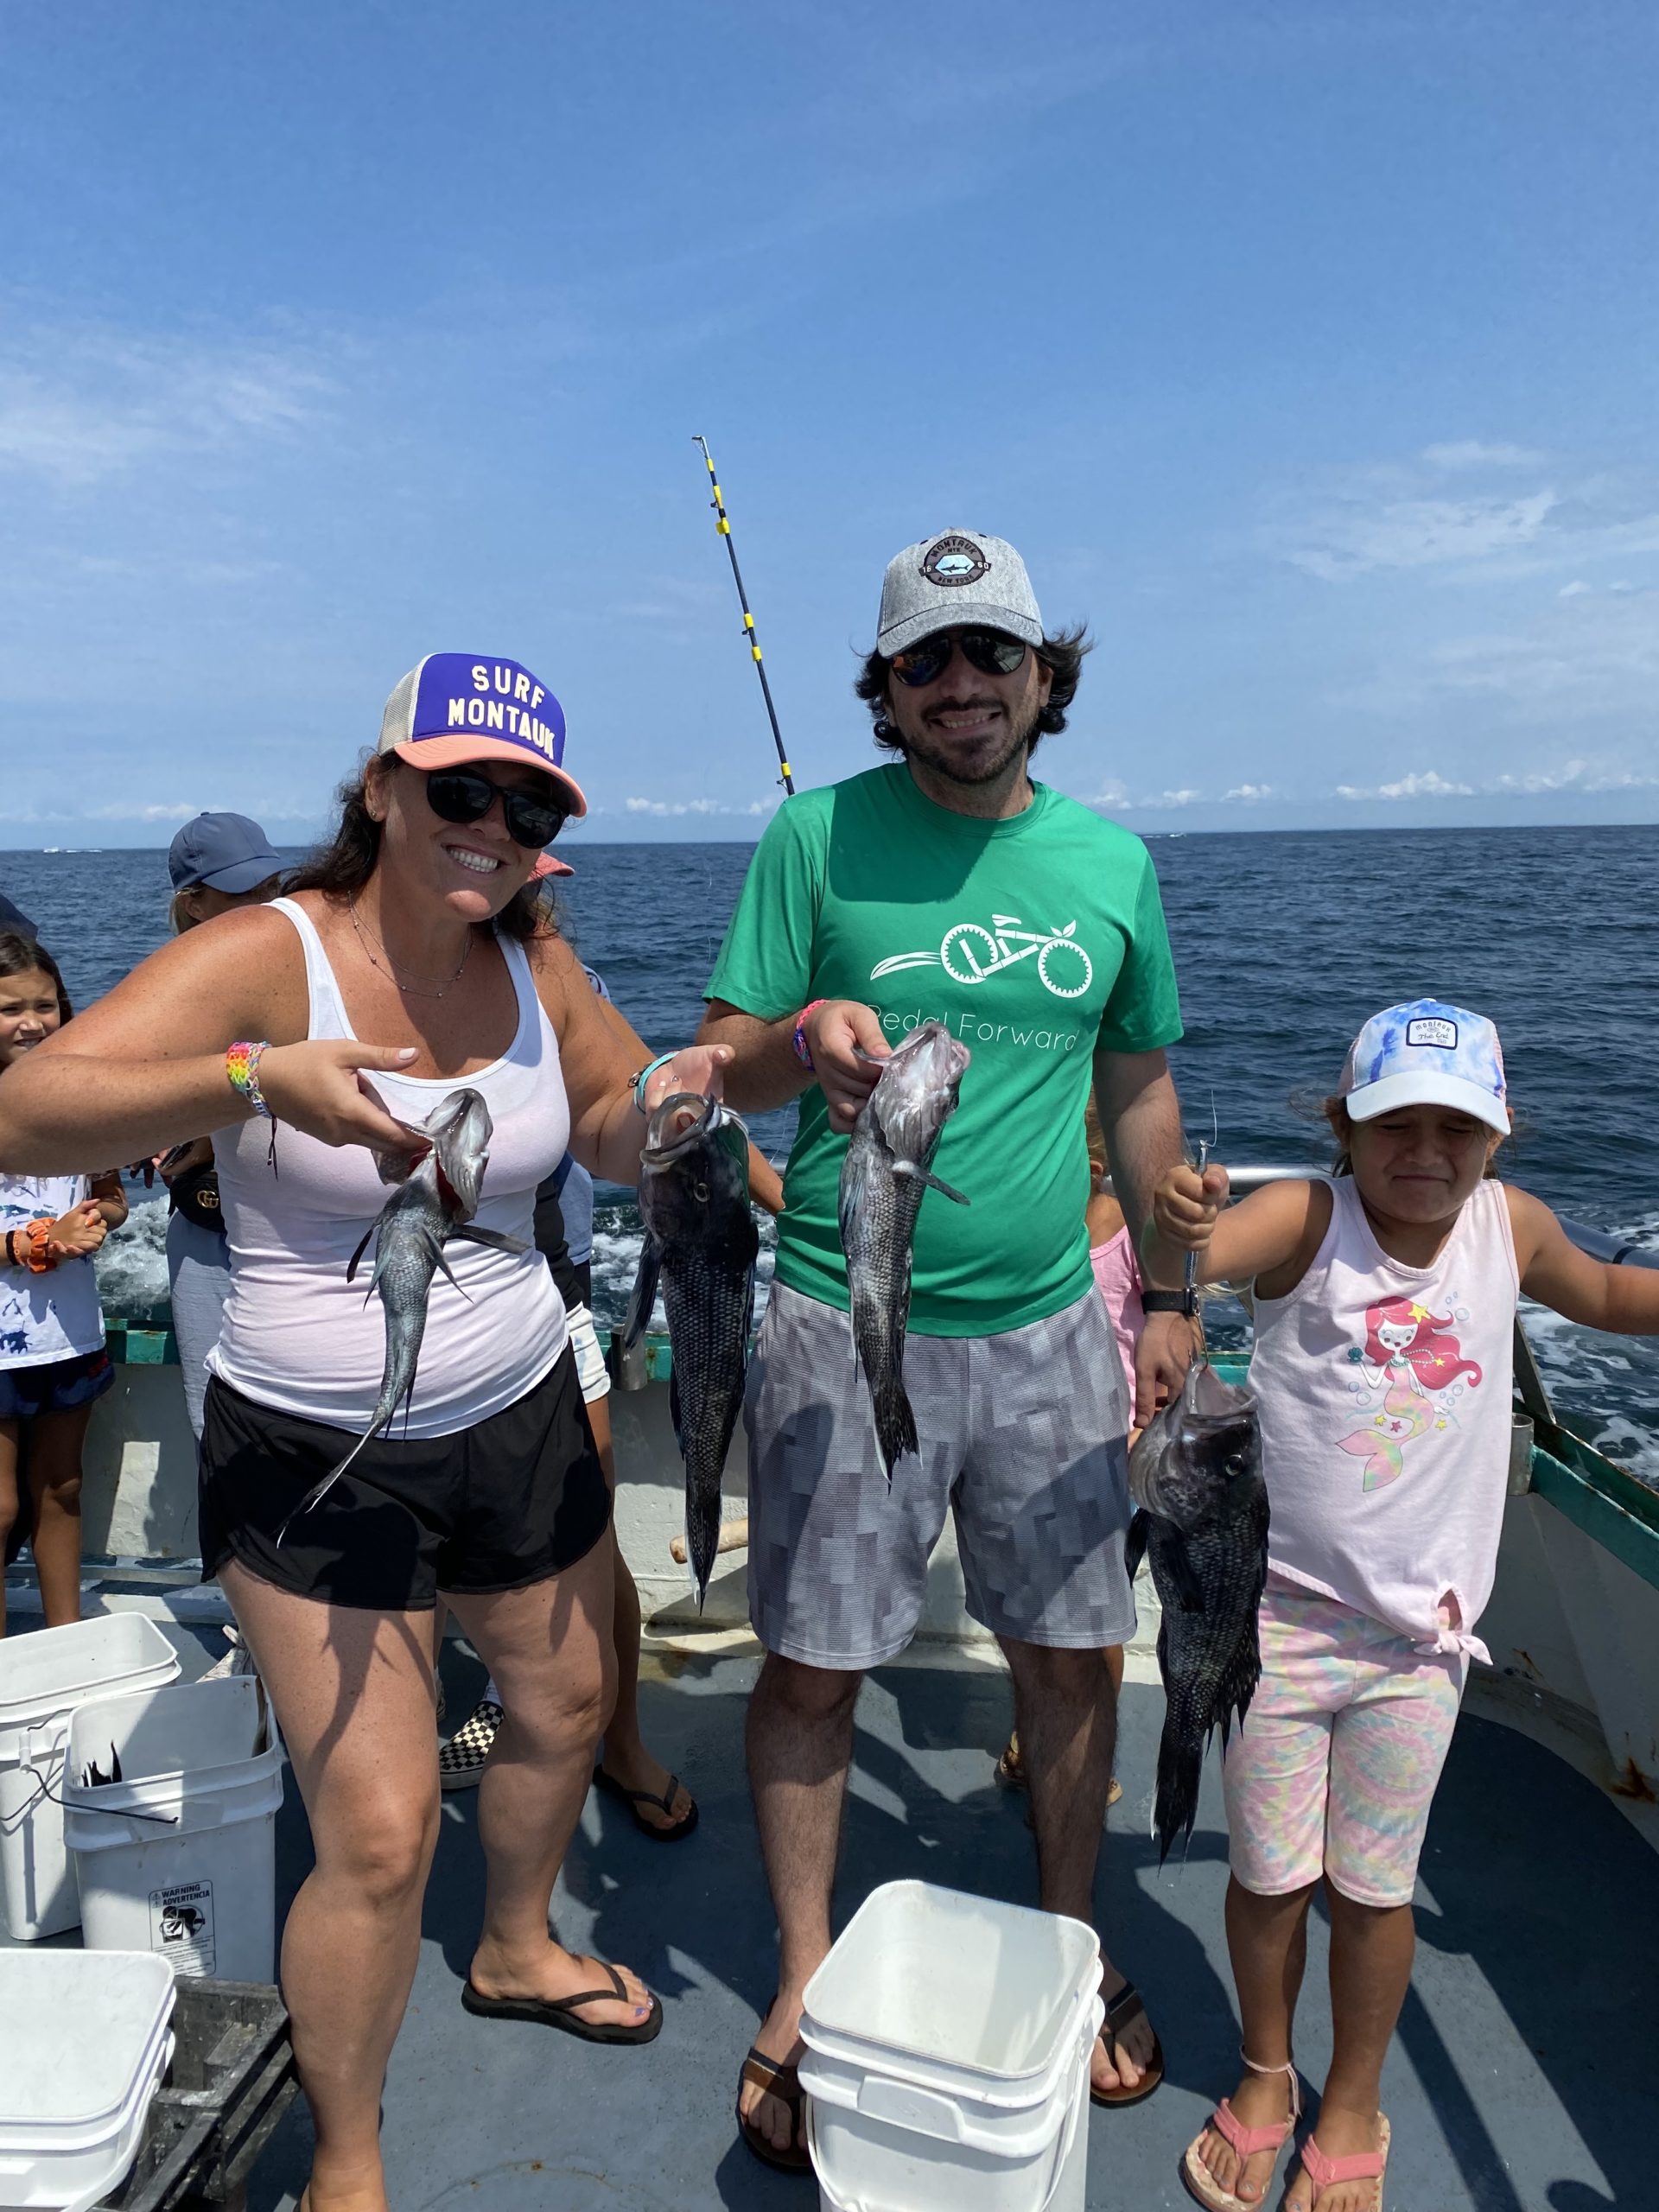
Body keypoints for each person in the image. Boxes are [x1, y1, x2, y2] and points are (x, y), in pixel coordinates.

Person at [0, 652, 732, 2212]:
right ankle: (346, 2156)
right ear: (383, 787)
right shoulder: (276, 951)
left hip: (518, 1405)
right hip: (317, 1440)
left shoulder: (534, 951)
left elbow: (609, 1117)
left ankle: (520, 1945)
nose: (493, 825)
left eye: (525, 805)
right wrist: (257, 1077)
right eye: (461, 789)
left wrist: (732, 1080)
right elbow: (21, 1110)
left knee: (563, 1699)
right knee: (386, 1834)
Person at [697, 531, 1198, 2168]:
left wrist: (1179, 1297)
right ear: (887, 689)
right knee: (815, 1662)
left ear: (1046, 675)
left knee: (1069, 1658)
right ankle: (801, 1982)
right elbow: (717, 1076)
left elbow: (1136, 1092)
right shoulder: (813, 836)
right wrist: (798, 1039)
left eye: (993, 653)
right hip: (845, 1319)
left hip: (1056, 1327)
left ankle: (1067, 1940)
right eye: (928, 661)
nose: (963, 685)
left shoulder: (1111, 867)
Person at [1149, 999, 1659, 2212]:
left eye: (1457, 1127)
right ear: (1344, 1124)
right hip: (1271, 1625)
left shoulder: (1510, 1227)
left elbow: (1603, 1288)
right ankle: (1269, 2073)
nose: (1424, 1152)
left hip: (1421, 1649)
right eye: (1394, 1125)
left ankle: (1357, 2094)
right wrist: (1178, 1233)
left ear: (1499, 1136)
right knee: (1271, 1881)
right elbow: (1194, 1258)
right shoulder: (1306, 1219)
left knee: (1376, 1893)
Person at [997, 1096, 1141, 1805]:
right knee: (1033, 1599)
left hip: (1108, 1435)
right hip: (1033, 1430)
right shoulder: (1027, 1235)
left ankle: (1091, 1756)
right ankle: (1034, 1732)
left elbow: (1178, 1332)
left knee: (1091, 1619)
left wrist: (1150, 1420)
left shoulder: (1127, 1233)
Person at [0, 932, 126, 1633]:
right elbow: (44, 1237)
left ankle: (65, 1643)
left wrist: (102, 1211)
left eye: (45, 1005)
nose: (31, 1021)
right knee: (2, 1508)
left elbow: (108, 1192)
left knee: (64, 1487)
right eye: (11, 1007)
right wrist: (40, 1241)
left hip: (66, 1334)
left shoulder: (81, 1096)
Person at [156, 813, 283, 1436]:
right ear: (194, 903)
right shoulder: (166, 989)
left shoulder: (301, 973)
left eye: (271, 886)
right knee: (213, 1427)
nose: (263, 904)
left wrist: (210, 1120)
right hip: (206, 1229)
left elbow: (277, 1068)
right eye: (242, 891)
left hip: (297, 1233)